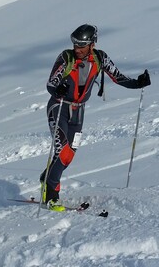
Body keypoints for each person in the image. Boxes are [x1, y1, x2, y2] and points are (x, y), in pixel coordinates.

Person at [41, 24, 151, 206]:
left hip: (78, 111)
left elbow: (118, 77)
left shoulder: (100, 58)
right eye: (75, 45)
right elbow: (51, 84)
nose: (77, 49)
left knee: (68, 156)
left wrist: (138, 83)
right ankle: (51, 194)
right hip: (58, 107)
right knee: (63, 151)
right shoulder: (65, 57)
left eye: (81, 46)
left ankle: (48, 177)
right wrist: (58, 89)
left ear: (92, 44)